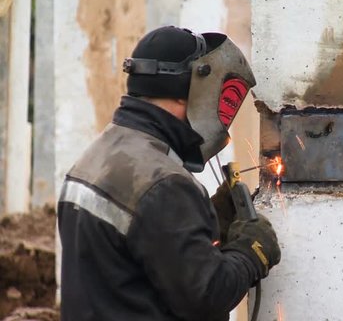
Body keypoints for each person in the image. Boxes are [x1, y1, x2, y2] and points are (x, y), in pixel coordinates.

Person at [57, 26, 280, 321]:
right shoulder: (165, 184)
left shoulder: (99, 152)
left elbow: (139, 248)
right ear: (194, 87)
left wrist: (210, 218)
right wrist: (251, 252)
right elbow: (208, 296)